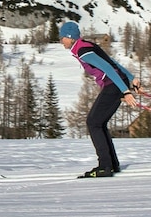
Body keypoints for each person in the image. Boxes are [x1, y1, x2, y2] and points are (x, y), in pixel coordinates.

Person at [59, 21, 140, 178]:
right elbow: (112, 62)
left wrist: (125, 91)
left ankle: (105, 166)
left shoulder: (83, 51)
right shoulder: (86, 45)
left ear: (69, 37)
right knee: (99, 123)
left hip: (113, 85)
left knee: (93, 122)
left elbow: (109, 68)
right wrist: (131, 78)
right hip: (117, 83)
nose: (61, 40)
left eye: (62, 37)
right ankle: (111, 164)